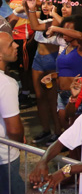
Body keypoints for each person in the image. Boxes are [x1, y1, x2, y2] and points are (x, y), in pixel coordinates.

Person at [0, 32, 24, 194]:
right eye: (10, 44)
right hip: (5, 156)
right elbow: (14, 129)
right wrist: (20, 142)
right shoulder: (6, 84)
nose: (16, 45)